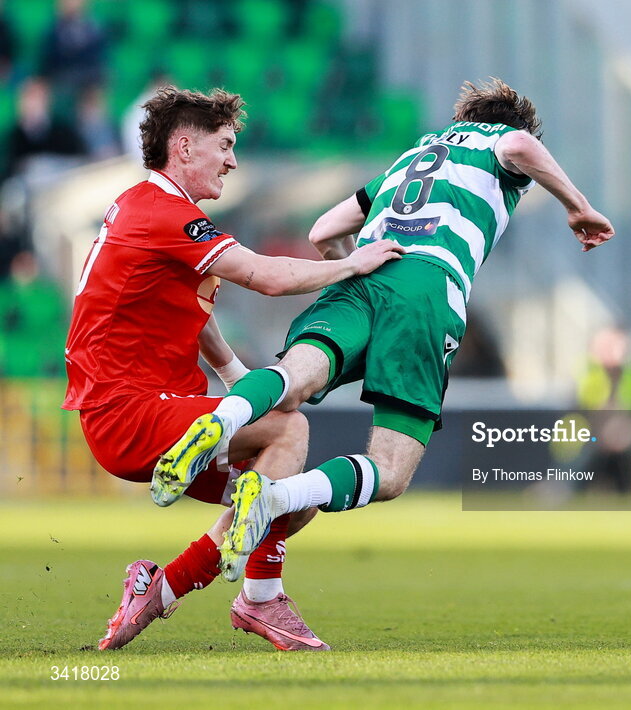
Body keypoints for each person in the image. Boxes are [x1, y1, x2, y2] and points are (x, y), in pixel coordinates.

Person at [158, 78, 615, 558]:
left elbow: (324, 231)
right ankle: (275, 495)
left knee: (292, 379)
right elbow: (519, 144)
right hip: (426, 286)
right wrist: (578, 208)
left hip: (365, 272)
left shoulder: (411, 157)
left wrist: (357, 275)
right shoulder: (498, 142)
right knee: (391, 469)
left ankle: (220, 423)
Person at [62, 86, 404, 651]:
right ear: (185, 145)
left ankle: (160, 587)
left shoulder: (144, 207)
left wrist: (233, 377)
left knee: (292, 501)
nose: (233, 160)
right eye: (224, 145)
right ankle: (261, 601)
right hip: (130, 412)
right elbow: (267, 277)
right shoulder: (166, 214)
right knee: (290, 428)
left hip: (149, 414)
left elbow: (186, 313)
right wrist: (355, 264)